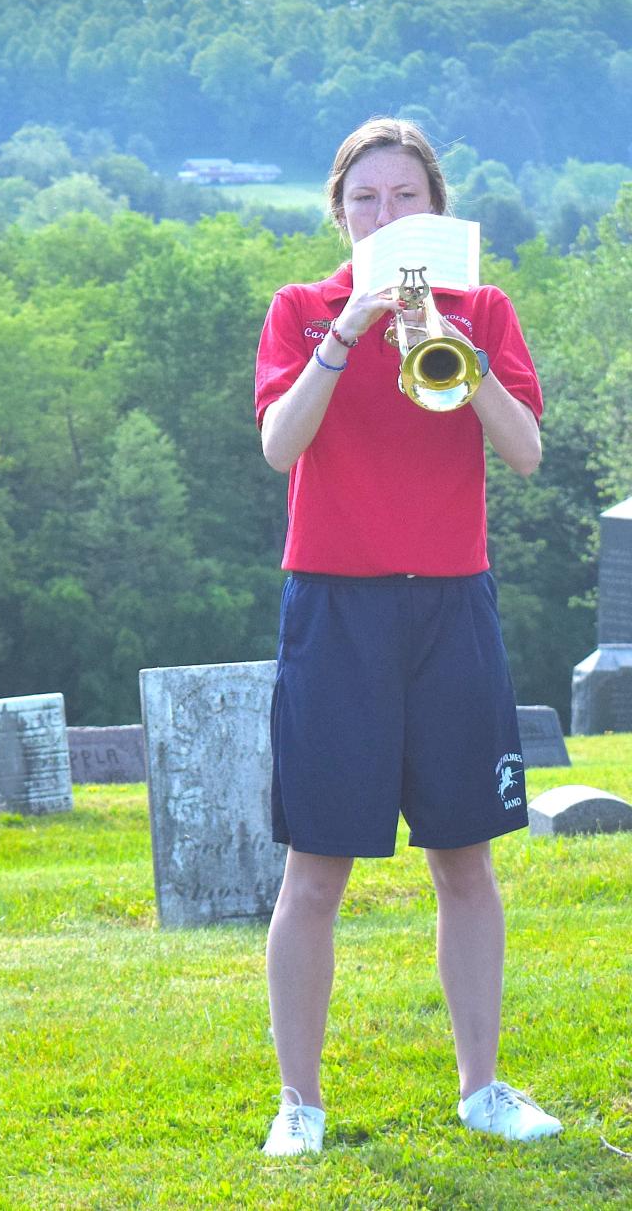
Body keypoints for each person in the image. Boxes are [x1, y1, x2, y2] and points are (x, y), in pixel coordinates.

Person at [254, 118, 561, 1155]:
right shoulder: (299, 311)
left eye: (407, 197)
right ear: (340, 213)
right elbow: (278, 444)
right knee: (316, 870)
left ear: (438, 209)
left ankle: (483, 1087)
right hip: (334, 606)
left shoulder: (484, 310)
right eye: (367, 200)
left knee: (466, 861)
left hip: (450, 602)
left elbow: (525, 453)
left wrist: (463, 359)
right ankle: (300, 1103)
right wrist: (346, 333)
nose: (387, 215)